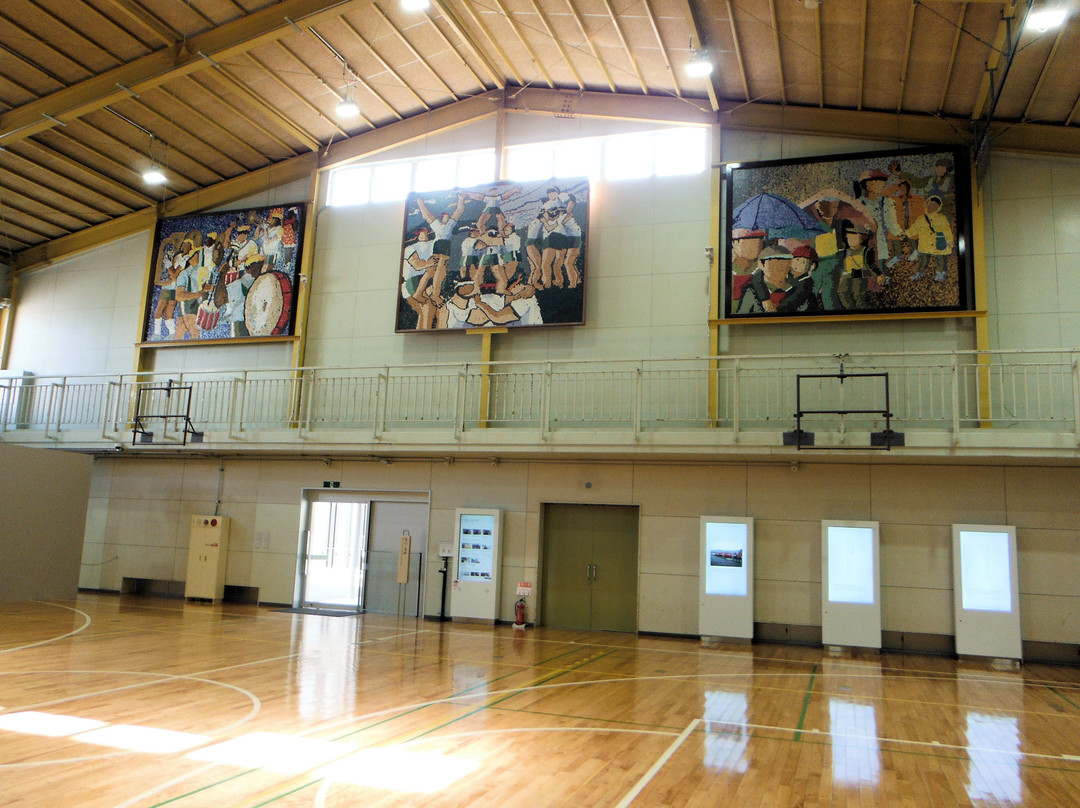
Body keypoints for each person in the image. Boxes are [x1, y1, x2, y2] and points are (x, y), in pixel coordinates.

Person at [416, 193, 466, 304]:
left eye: (447, 216)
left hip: (445, 245)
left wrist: (461, 199)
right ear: (442, 217)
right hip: (441, 245)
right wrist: (420, 202)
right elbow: (427, 215)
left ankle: (429, 292)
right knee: (440, 269)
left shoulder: (451, 224)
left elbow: (459, 211)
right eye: (444, 216)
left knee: (435, 269)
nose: (446, 217)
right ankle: (435, 294)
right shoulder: (437, 224)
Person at [904, 195, 953, 282]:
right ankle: (920, 272)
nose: (930, 207)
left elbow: (947, 230)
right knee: (924, 258)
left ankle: (940, 273)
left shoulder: (941, 218)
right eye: (929, 205)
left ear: (938, 207)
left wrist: (949, 241)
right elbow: (914, 229)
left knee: (940, 258)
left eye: (934, 205)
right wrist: (906, 233)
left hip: (939, 241)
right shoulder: (922, 219)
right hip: (925, 243)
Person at [738, 245, 792, 314]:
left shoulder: (796, 288)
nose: (780, 266)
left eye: (785, 262)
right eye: (775, 262)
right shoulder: (752, 291)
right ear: (761, 264)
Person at [778, 246, 821, 313]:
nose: (797, 264)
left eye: (803, 262)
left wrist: (778, 308)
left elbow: (795, 299)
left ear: (812, 266)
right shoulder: (787, 276)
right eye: (797, 259)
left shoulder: (806, 283)